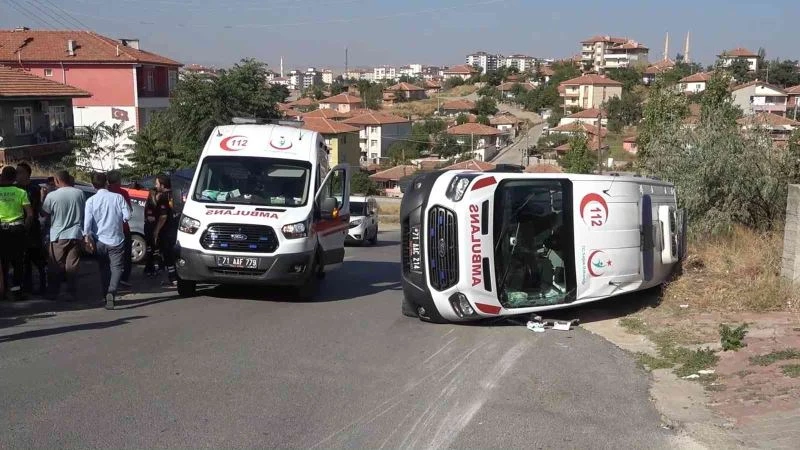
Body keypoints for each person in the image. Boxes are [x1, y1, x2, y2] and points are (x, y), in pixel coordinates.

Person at [84, 172, 129, 309]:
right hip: (116, 238)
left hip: (99, 239)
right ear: (106, 183)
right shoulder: (118, 197)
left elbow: (87, 223)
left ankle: (105, 295)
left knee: (103, 268)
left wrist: (87, 236)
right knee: (117, 267)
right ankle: (112, 291)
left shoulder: (90, 201)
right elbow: (127, 216)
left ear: (93, 185)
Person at [41, 170, 85, 302]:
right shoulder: (79, 193)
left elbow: (44, 213)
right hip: (76, 233)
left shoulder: (52, 196)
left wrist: (43, 196)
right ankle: (71, 292)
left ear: (57, 180)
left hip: (58, 235)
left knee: (54, 265)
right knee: (72, 265)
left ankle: (53, 292)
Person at [0, 166, 34, 300]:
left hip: (1, 230)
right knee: (18, 262)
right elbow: (30, 215)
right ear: (14, 178)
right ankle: (16, 291)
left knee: (3, 262)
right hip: (17, 229)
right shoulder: (21, 192)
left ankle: (3, 290)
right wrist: (25, 228)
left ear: (2, 176)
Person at [16, 162, 48, 294]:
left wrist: (42, 198)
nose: (17, 175)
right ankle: (27, 287)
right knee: (24, 261)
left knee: (38, 259)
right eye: (16, 172)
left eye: (20, 172)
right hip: (18, 227)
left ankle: (43, 286)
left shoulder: (34, 189)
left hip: (32, 228)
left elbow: (37, 208)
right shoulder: (14, 188)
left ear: (27, 174)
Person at [106, 170, 133, 287]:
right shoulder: (122, 193)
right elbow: (128, 211)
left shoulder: (105, 192)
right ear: (118, 180)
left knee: (108, 256)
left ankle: (110, 278)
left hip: (107, 228)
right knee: (126, 255)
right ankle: (124, 277)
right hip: (123, 228)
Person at [154, 174, 178, 286]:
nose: (155, 186)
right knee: (175, 254)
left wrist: (156, 230)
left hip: (166, 231)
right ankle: (177, 277)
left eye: (157, 184)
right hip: (177, 229)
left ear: (162, 185)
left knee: (167, 255)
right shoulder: (177, 194)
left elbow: (163, 217)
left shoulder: (163, 198)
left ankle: (172, 278)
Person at [142, 187, 161, 277]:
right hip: (150, 229)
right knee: (151, 249)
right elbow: (150, 218)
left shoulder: (154, 204)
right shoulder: (150, 204)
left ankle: (148, 268)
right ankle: (150, 269)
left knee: (152, 250)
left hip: (151, 228)